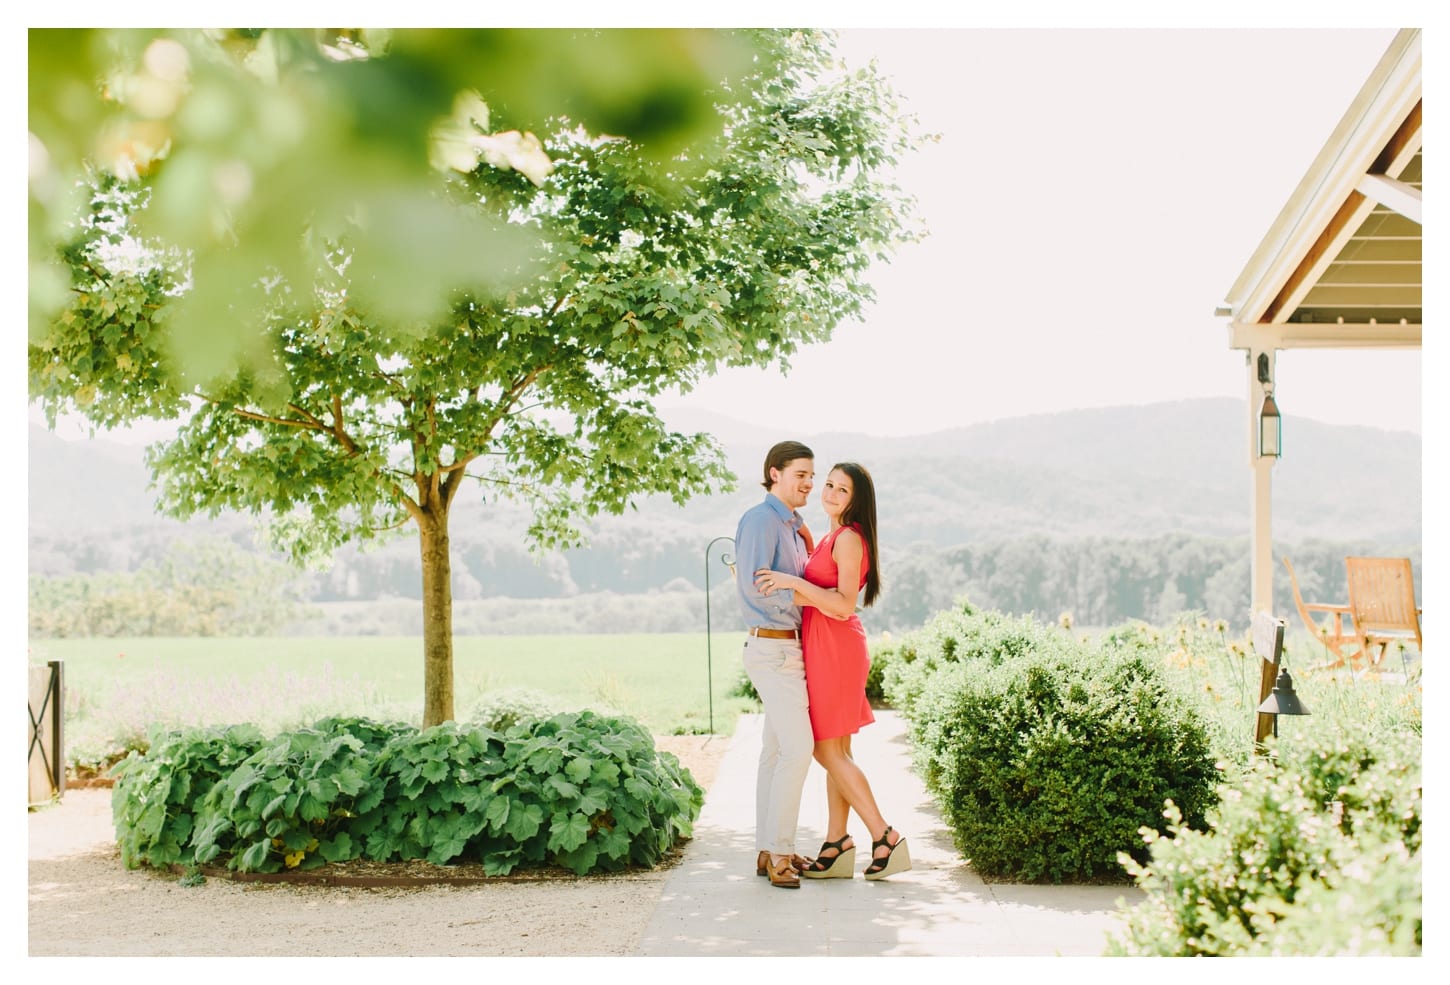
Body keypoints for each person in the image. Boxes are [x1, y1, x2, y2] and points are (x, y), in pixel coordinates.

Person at [755, 461, 911, 881]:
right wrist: (804, 556)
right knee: (839, 752)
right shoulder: (831, 537)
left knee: (824, 750)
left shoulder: (849, 539)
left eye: (842, 490)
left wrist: (794, 582)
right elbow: (819, 592)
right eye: (828, 485)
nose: (830, 493)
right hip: (824, 645)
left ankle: (885, 836)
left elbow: (842, 604)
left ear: (856, 501)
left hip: (836, 649)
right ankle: (837, 843)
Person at [733, 440, 818, 889]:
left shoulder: (792, 526)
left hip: (790, 647)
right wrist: (805, 594)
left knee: (775, 751)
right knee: (798, 750)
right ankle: (781, 851)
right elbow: (753, 585)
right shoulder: (760, 520)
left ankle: (769, 849)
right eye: (799, 474)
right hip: (772, 648)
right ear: (774, 474)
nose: (808, 482)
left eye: (811, 475)